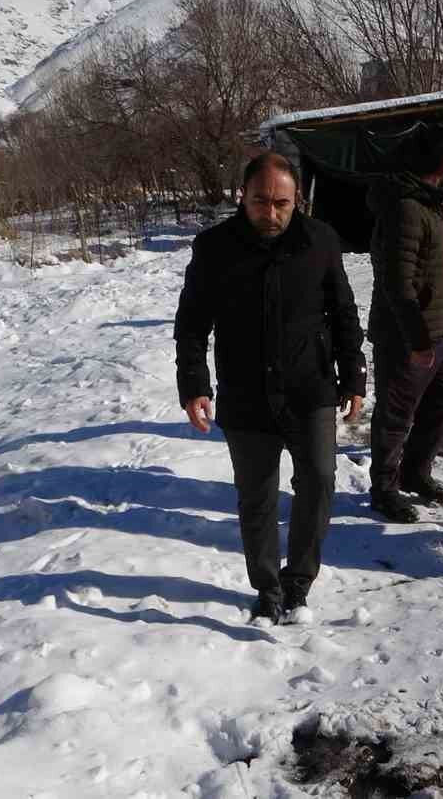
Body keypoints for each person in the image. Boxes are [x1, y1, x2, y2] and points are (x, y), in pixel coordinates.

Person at [174, 152, 367, 625]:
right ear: (243, 196)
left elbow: (343, 312)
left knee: (319, 482)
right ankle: (267, 587)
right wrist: (194, 385)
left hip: (311, 386)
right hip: (246, 393)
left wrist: (354, 375)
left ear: (296, 198)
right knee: (257, 497)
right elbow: (192, 324)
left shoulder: (319, 240)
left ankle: (299, 579)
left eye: (282, 202)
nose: (272, 212)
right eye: (261, 201)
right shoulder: (215, 247)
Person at [366, 126, 443, 523]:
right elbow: (397, 282)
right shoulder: (407, 206)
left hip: (439, 331)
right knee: (396, 414)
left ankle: (415, 472)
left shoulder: (425, 201)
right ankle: (384, 489)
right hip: (407, 336)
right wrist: (418, 338)